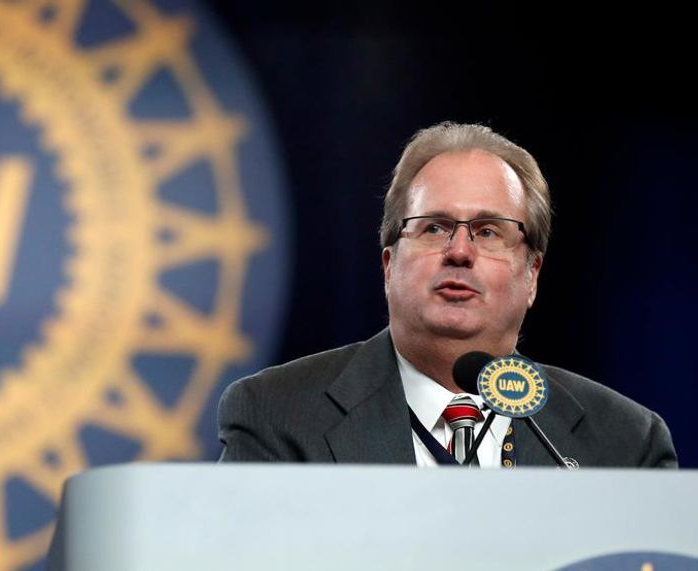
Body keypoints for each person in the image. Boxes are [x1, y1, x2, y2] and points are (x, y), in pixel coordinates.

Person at [218, 122, 677, 467]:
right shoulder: (276, 416)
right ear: (388, 265)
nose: (459, 251)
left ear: (532, 274)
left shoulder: (626, 442)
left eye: (489, 231)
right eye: (434, 227)